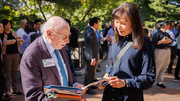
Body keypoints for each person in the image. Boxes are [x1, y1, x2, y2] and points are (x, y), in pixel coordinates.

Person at [98, 2, 156, 101]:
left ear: (134, 23)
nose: (119, 27)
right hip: (109, 94)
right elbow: (113, 65)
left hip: (130, 96)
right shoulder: (115, 40)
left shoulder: (144, 43)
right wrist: (106, 75)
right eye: (116, 22)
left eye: (124, 23)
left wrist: (125, 82)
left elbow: (149, 78)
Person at [20, 16, 86, 101]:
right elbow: (33, 96)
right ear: (49, 34)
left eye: (68, 36)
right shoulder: (32, 56)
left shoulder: (60, 46)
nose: (68, 41)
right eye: (64, 36)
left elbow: (67, 73)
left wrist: (75, 85)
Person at [1, 19, 24, 99]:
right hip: (7, 55)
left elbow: (20, 43)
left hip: (16, 54)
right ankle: (5, 91)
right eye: (6, 25)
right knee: (6, 74)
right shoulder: (2, 34)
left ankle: (15, 89)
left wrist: (19, 40)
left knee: (14, 74)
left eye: (9, 24)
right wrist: (16, 40)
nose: (8, 26)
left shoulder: (14, 33)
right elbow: (6, 42)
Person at [152, 20, 172, 88]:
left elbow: (171, 40)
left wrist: (170, 41)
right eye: (169, 25)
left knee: (164, 66)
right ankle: (151, 81)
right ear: (165, 25)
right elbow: (154, 42)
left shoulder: (167, 34)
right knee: (157, 66)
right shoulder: (157, 34)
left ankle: (160, 82)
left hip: (167, 50)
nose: (169, 26)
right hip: (160, 51)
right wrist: (162, 41)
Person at [84, 17, 100, 95]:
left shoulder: (89, 30)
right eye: (98, 23)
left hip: (90, 55)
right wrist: (92, 58)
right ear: (95, 24)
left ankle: (91, 84)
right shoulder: (90, 31)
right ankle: (87, 87)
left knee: (91, 71)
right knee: (89, 72)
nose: (99, 25)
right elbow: (90, 46)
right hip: (90, 56)